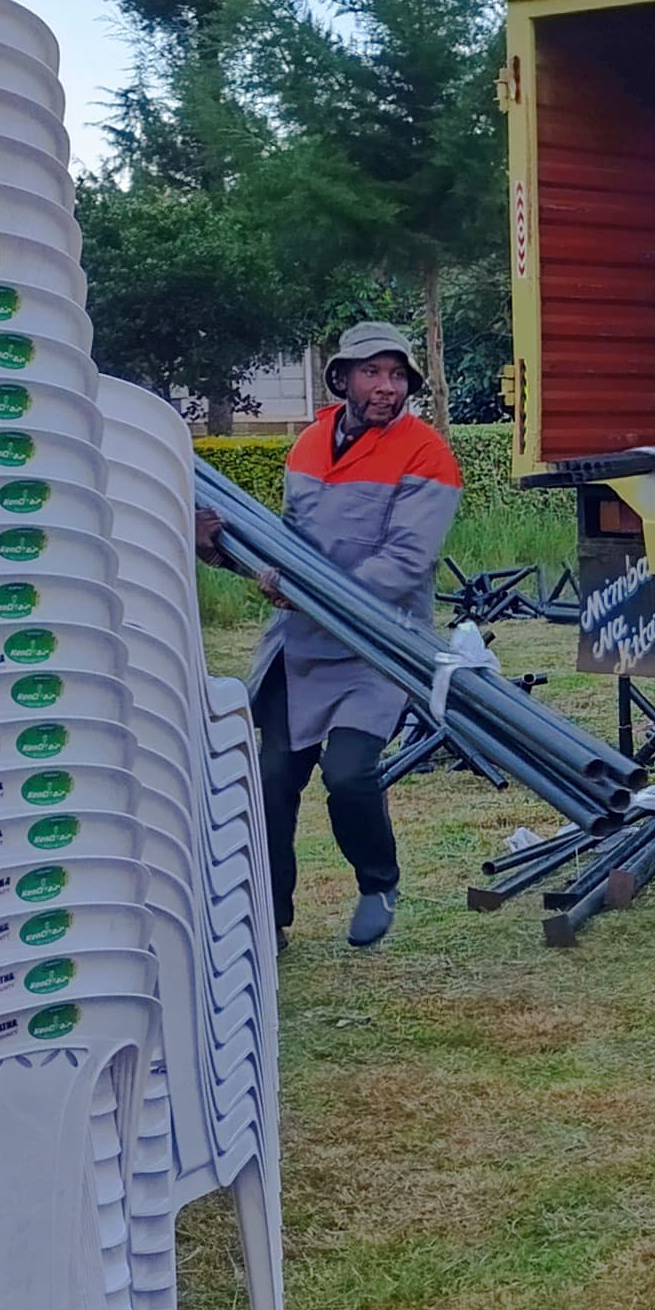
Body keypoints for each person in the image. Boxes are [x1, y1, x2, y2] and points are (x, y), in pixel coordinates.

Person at [199, 321, 460, 950]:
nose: (387, 387)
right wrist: (221, 550)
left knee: (348, 775)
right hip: (300, 646)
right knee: (270, 784)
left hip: (376, 644)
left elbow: (405, 563)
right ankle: (271, 921)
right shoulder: (311, 443)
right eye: (372, 372)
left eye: (398, 375)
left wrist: (311, 590)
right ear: (341, 378)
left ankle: (378, 881)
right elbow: (286, 547)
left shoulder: (428, 453)